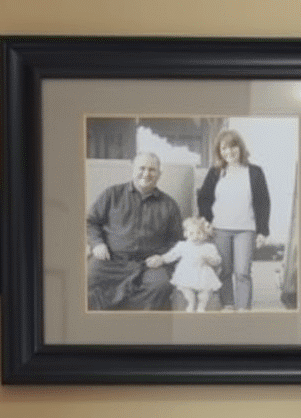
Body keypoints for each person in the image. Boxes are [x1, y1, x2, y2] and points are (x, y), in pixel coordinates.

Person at [85, 152, 184, 310]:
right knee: (87, 277)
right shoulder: (112, 194)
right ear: (133, 170)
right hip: (111, 260)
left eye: (152, 170)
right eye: (142, 168)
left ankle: (135, 326)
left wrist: (162, 258)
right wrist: (97, 244)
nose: (146, 174)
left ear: (159, 174)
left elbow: (177, 241)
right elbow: (91, 222)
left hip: (148, 265)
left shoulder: (169, 205)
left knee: (161, 286)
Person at [197, 129, 271, 311]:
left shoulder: (254, 172)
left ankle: (244, 309)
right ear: (219, 151)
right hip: (220, 229)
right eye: (224, 148)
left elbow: (263, 202)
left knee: (243, 272)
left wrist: (263, 231)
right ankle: (228, 305)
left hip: (246, 229)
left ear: (240, 148)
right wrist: (207, 221)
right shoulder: (216, 172)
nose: (229, 152)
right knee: (224, 270)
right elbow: (204, 198)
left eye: (233, 147)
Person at [160, 215, 223, 312]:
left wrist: (209, 259)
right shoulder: (183, 245)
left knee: (206, 292)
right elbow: (172, 255)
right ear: (185, 234)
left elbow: (217, 261)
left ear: (206, 234)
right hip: (186, 272)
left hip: (203, 273)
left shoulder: (209, 247)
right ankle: (191, 302)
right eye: (191, 233)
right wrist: (162, 259)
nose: (195, 236)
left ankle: (202, 305)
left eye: (199, 233)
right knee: (186, 289)